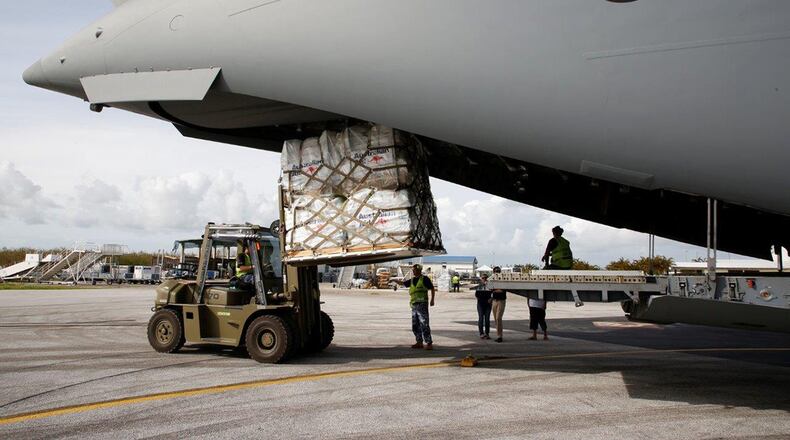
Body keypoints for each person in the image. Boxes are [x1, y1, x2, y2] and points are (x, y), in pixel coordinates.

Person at [402, 264, 436, 350]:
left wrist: (432, 300)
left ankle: (429, 343)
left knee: (424, 323)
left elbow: (432, 288)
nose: (413, 271)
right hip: (414, 305)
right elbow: (404, 284)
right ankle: (419, 342)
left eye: (414, 270)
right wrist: (394, 280)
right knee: (415, 324)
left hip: (422, 304)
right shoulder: (413, 280)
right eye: (413, 270)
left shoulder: (424, 279)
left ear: (419, 270)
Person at [490, 266, 506, 342]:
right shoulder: (493, 280)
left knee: (498, 318)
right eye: (495, 271)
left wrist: (493, 290)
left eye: (498, 271)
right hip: (494, 300)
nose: (496, 273)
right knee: (495, 319)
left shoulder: (502, 280)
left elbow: (501, 290)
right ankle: (498, 335)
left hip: (501, 300)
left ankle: (500, 336)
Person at [475, 273, 492, 339]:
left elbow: (493, 293)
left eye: (485, 278)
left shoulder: (490, 286)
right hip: (480, 304)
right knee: (481, 318)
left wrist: (491, 299)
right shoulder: (479, 286)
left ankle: (487, 333)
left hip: (488, 304)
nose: (484, 279)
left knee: (487, 319)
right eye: (483, 278)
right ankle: (481, 333)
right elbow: (476, 295)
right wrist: (479, 299)